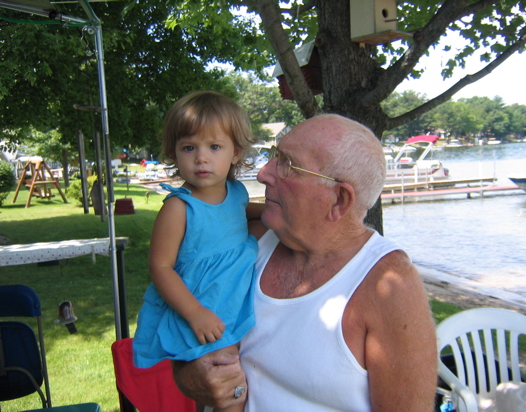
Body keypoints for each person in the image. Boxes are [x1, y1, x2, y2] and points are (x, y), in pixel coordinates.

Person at [173, 113, 438, 411]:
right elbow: (185, 344)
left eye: (287, 165)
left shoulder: (387, 286)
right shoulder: (249, 242)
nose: (263, 173)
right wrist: (188, 375)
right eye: (275, 156)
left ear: (339, 199)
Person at [132, 91, 263, 412]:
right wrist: (195, 314)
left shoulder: (236, 192)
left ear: (236, 153)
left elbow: (242, 214)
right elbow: (161, 267)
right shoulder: (178, 207)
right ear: (174, 153)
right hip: (203, 306)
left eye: (214, 147)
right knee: (227, 387)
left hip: (231, 297)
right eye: (189, 148)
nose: (201, 158)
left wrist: (278, 212)